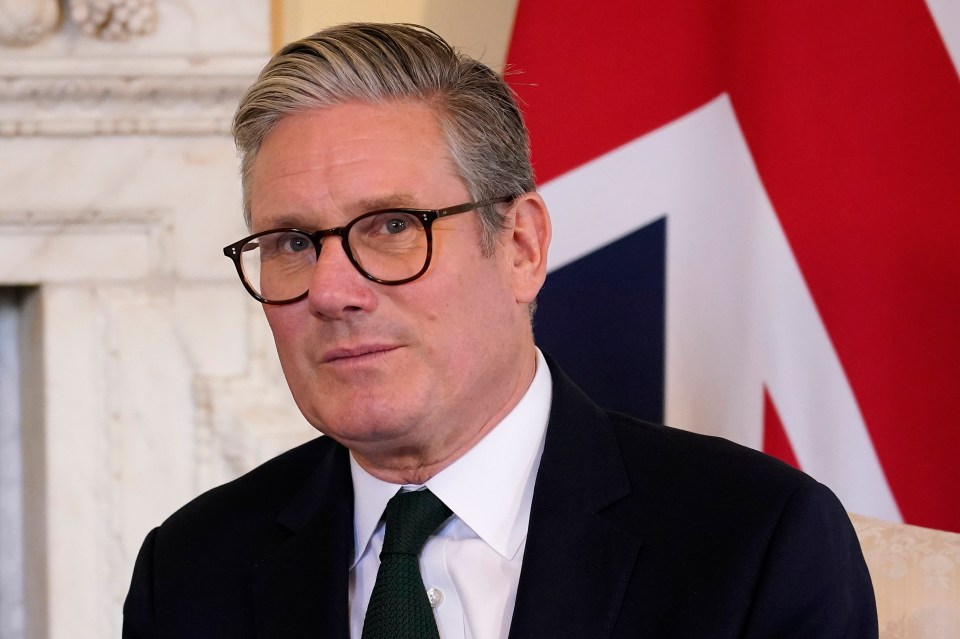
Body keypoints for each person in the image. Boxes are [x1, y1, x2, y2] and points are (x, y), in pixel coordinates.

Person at [123, 22, 877, 638]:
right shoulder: (191, 571)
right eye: (291, 241)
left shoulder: (754, 542)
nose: (330, 289)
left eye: (392, 226)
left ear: (520, 247)